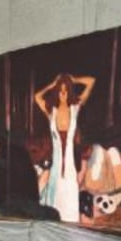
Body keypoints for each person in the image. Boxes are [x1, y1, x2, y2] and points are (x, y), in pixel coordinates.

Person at [34, 73, 96, 222]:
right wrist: (52, 84)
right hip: (56, 161)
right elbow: (37, 97)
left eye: (66, 89)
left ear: (69, 91)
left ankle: (71, 223)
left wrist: (74, 80)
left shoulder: (75, 108)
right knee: (54, 193)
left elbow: (91, 82)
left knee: (70, 188)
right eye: (60, 89)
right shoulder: (51, 110)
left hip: (69, 162)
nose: (63, 93)